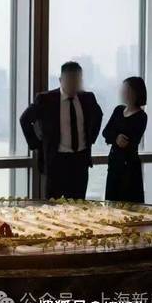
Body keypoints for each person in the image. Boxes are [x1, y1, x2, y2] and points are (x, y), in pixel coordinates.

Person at [20, 61, 103, 199]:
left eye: (77, 81)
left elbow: (98, 116)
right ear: (61, 80)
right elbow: (25, 119)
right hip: (56, 161)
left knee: (78, 204)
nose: (74, 85)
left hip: (80, 160)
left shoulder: (87, 98)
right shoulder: (46, 99)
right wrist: (37, 145)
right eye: (70, 80)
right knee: (53, 205)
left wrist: (91, 139)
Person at [102, 77, 148, 203]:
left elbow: (130, 141)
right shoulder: (118, 110)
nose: (122, 92)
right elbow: (106, 132)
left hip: (129, 166)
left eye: (125, 89)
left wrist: (115, 137)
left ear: (134, 92)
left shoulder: (141, 116)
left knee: (129, 203)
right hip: (114, 164)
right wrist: (116, 138)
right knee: (112, 201)